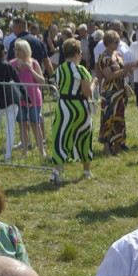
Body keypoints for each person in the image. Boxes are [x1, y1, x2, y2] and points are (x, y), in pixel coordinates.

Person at [48, 38, 94, 184]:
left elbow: (54, 82)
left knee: (61, 136)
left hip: (63, 106)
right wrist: (94, 83)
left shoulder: (59, 69)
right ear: (77, 54)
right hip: (79, 106)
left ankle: (56, 170)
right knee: (84, 136)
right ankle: (86, 170)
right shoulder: (81, 70)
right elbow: (87, 92)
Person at [9, 38, 46, 160]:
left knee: (35, 123)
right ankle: (24, 150)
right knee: (22, 124)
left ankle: (42, 150)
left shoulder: (34, 63)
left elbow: (42, 80)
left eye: (19, 49)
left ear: (25, 51)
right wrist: (18, 70)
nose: (16, 52)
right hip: (19, 99)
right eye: (16, 49)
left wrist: (30, 69)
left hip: (34, 98)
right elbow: (9, 80)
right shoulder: (11, 64)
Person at [97, 29, 131, 156]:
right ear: (108, 42)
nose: (118, 43)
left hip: (120, 92)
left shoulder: (119, 55)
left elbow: (123, 71)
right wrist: (124, 71)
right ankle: (106, 146)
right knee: (107, 118)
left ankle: (118, 145)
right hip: (109, 92)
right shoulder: (103, 57)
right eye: (115, 41)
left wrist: (127, 70)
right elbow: (109, 75)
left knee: (119, 118)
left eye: (118, 40)